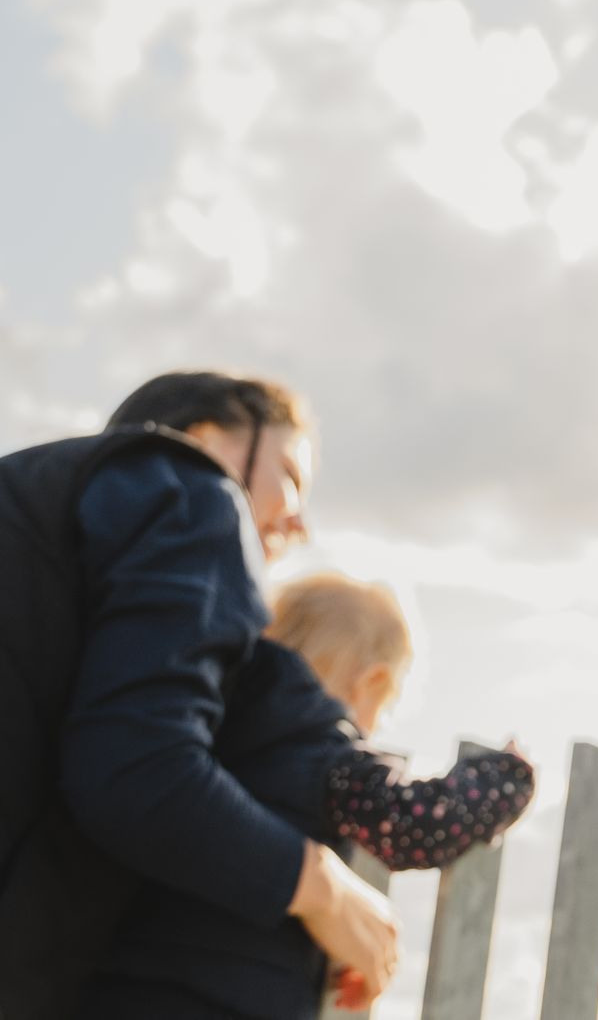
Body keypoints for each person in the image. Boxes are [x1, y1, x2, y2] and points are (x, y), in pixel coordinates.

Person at [0, 373, 402, 1017]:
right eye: (291, 476)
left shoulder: (41, 505)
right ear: (205, 438)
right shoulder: (195, 488)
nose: (299, 522)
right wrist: (325, 890)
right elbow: (137, 771)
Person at [80, 572, 536, 1018]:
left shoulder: (208, 737)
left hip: (125, 981)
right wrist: (506, 779)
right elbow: (414, 822)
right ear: (372, 683)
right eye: (388, 706)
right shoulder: (327, 756)